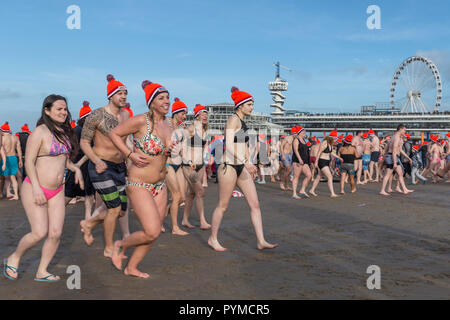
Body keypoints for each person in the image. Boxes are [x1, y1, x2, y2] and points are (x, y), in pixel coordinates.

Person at [3, 94, 83, 282]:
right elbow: (29, 162)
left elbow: (63, 159)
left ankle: (42, 270)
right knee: (39, 232)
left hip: (57, 191)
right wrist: (37, 188)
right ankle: (14, 257)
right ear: (47, 110)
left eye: (65, 109)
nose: (63, 112)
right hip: (34, 188)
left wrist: (75, 168)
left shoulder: (64, 133)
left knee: (55, 233)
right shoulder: (40, 131)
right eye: (59, 109)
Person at [109, 80, 177, 278]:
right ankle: (120, 244)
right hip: (139, 183)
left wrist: (173, 151)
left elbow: (164, 156)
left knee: (154, 233)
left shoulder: (169, 124)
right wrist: (129, 155)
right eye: (162, 98)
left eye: (168, 98)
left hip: (160, 184)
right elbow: (114, 134)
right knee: (152, 230)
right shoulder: (141, 121)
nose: (167, 101)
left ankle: (131, 267)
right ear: (152, 102)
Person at [208, 87, 278, 252]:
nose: (252, 107)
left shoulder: (243, 121)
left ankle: (261, 240)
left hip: (241, 165)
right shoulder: (233, 119)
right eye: (249, 104)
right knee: (223, 205)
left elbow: (244, 145)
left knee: (255, 204)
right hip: (228, 166)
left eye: (252, 104)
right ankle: (212, 238)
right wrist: (245, 163)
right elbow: (229, 145)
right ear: (240, 105)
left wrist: (249, 162)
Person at [79, 74, 130, 258]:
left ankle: (89, 223)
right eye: (120, 94)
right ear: (111, 96)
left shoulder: (126, 115)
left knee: (122, 211)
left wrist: (131, 159)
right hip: (101, 166)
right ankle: (109, 248)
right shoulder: (97, 115)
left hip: (119, 167)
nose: (123, 97)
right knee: (114, 208)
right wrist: (96, 160)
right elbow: (84, 143)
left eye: (125, 93)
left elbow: (127, 141)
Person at [181, 104, 211, 230]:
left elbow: (204, 148)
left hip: (200, 165)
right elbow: (182, 145)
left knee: (191, 194)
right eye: (202, 113)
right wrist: (187, 160)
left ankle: (184, 220)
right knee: (200, 192)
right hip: (189, 166)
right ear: (197, 116)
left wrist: (206, 159)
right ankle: (203, 221)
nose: (205, 115)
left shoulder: (205, 131)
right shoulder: (191, 129)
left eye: (206, 113)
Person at [64, 101, 96, 220]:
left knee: (70, 193)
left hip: (76, 164)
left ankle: (56, 215)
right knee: (88, 195)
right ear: (86, 118)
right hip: (83, 165)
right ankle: (88, 217)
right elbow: (91, 149)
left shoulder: (75, 130)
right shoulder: (88, 131)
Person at [164, 97, 189, 235]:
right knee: (176, 195)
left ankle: (161, 216)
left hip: (178, 164)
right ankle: (175, 228)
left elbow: (182, 147)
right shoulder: (166, 123)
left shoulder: (181, 128)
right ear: (176, 112)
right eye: (183, 113)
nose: (184, 116)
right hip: (167, 163)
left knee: (182, 198)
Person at [380, 124, 414, 196]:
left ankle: (404, 189)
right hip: (392, 157)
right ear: (400, 129)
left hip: (393, 157)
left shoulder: (393, 137)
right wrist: (395, 162)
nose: (405, 131)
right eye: (404, 130)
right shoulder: (397, 137)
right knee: (388, 174)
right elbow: (394, 150)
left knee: (400, 173)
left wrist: (408, 158)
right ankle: (382, 190)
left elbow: (399, 149)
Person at [309, 131, 343, 197]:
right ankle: (332, 193)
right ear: (332, 137)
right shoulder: (325, 143)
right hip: (322, 161)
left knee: (318, 177)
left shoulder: (330, 144)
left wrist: (339, 157)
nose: (336, 140)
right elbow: (319, 152)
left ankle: (312, 190)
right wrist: (316, 162)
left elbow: (331, 153)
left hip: (326, 161)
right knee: (330, 176)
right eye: (335, 138)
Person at [0, 122, 23, 200]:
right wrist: (20, 160)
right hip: (14, 158)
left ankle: (8, 192)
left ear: (2, 131)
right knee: (13, 177)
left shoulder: (2, 139)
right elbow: (19, 149)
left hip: (5, 159)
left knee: (6, 177)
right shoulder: (15, 138)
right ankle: (15, 194)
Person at [291, 126, 311, 199]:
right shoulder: (296, 140)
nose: (304, 133)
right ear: (299, 132)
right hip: (297, 160)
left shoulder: (304, 140)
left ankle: (302, 190)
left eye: (305, 132)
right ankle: (294, 194)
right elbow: (296, 150)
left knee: (309, 175)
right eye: (303, 132)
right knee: (296, 177)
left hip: (305, 161)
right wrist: (299, 159)